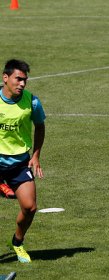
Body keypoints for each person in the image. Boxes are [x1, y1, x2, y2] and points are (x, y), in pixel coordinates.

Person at [0, 59, 46, 263]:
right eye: (18, 79)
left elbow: (40, 126)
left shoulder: (32, 102)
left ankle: (17, 242)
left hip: (19, 162)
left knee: (30, 208)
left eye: (25, 80)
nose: (22, 84)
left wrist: (36, 155)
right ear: (5, 78)